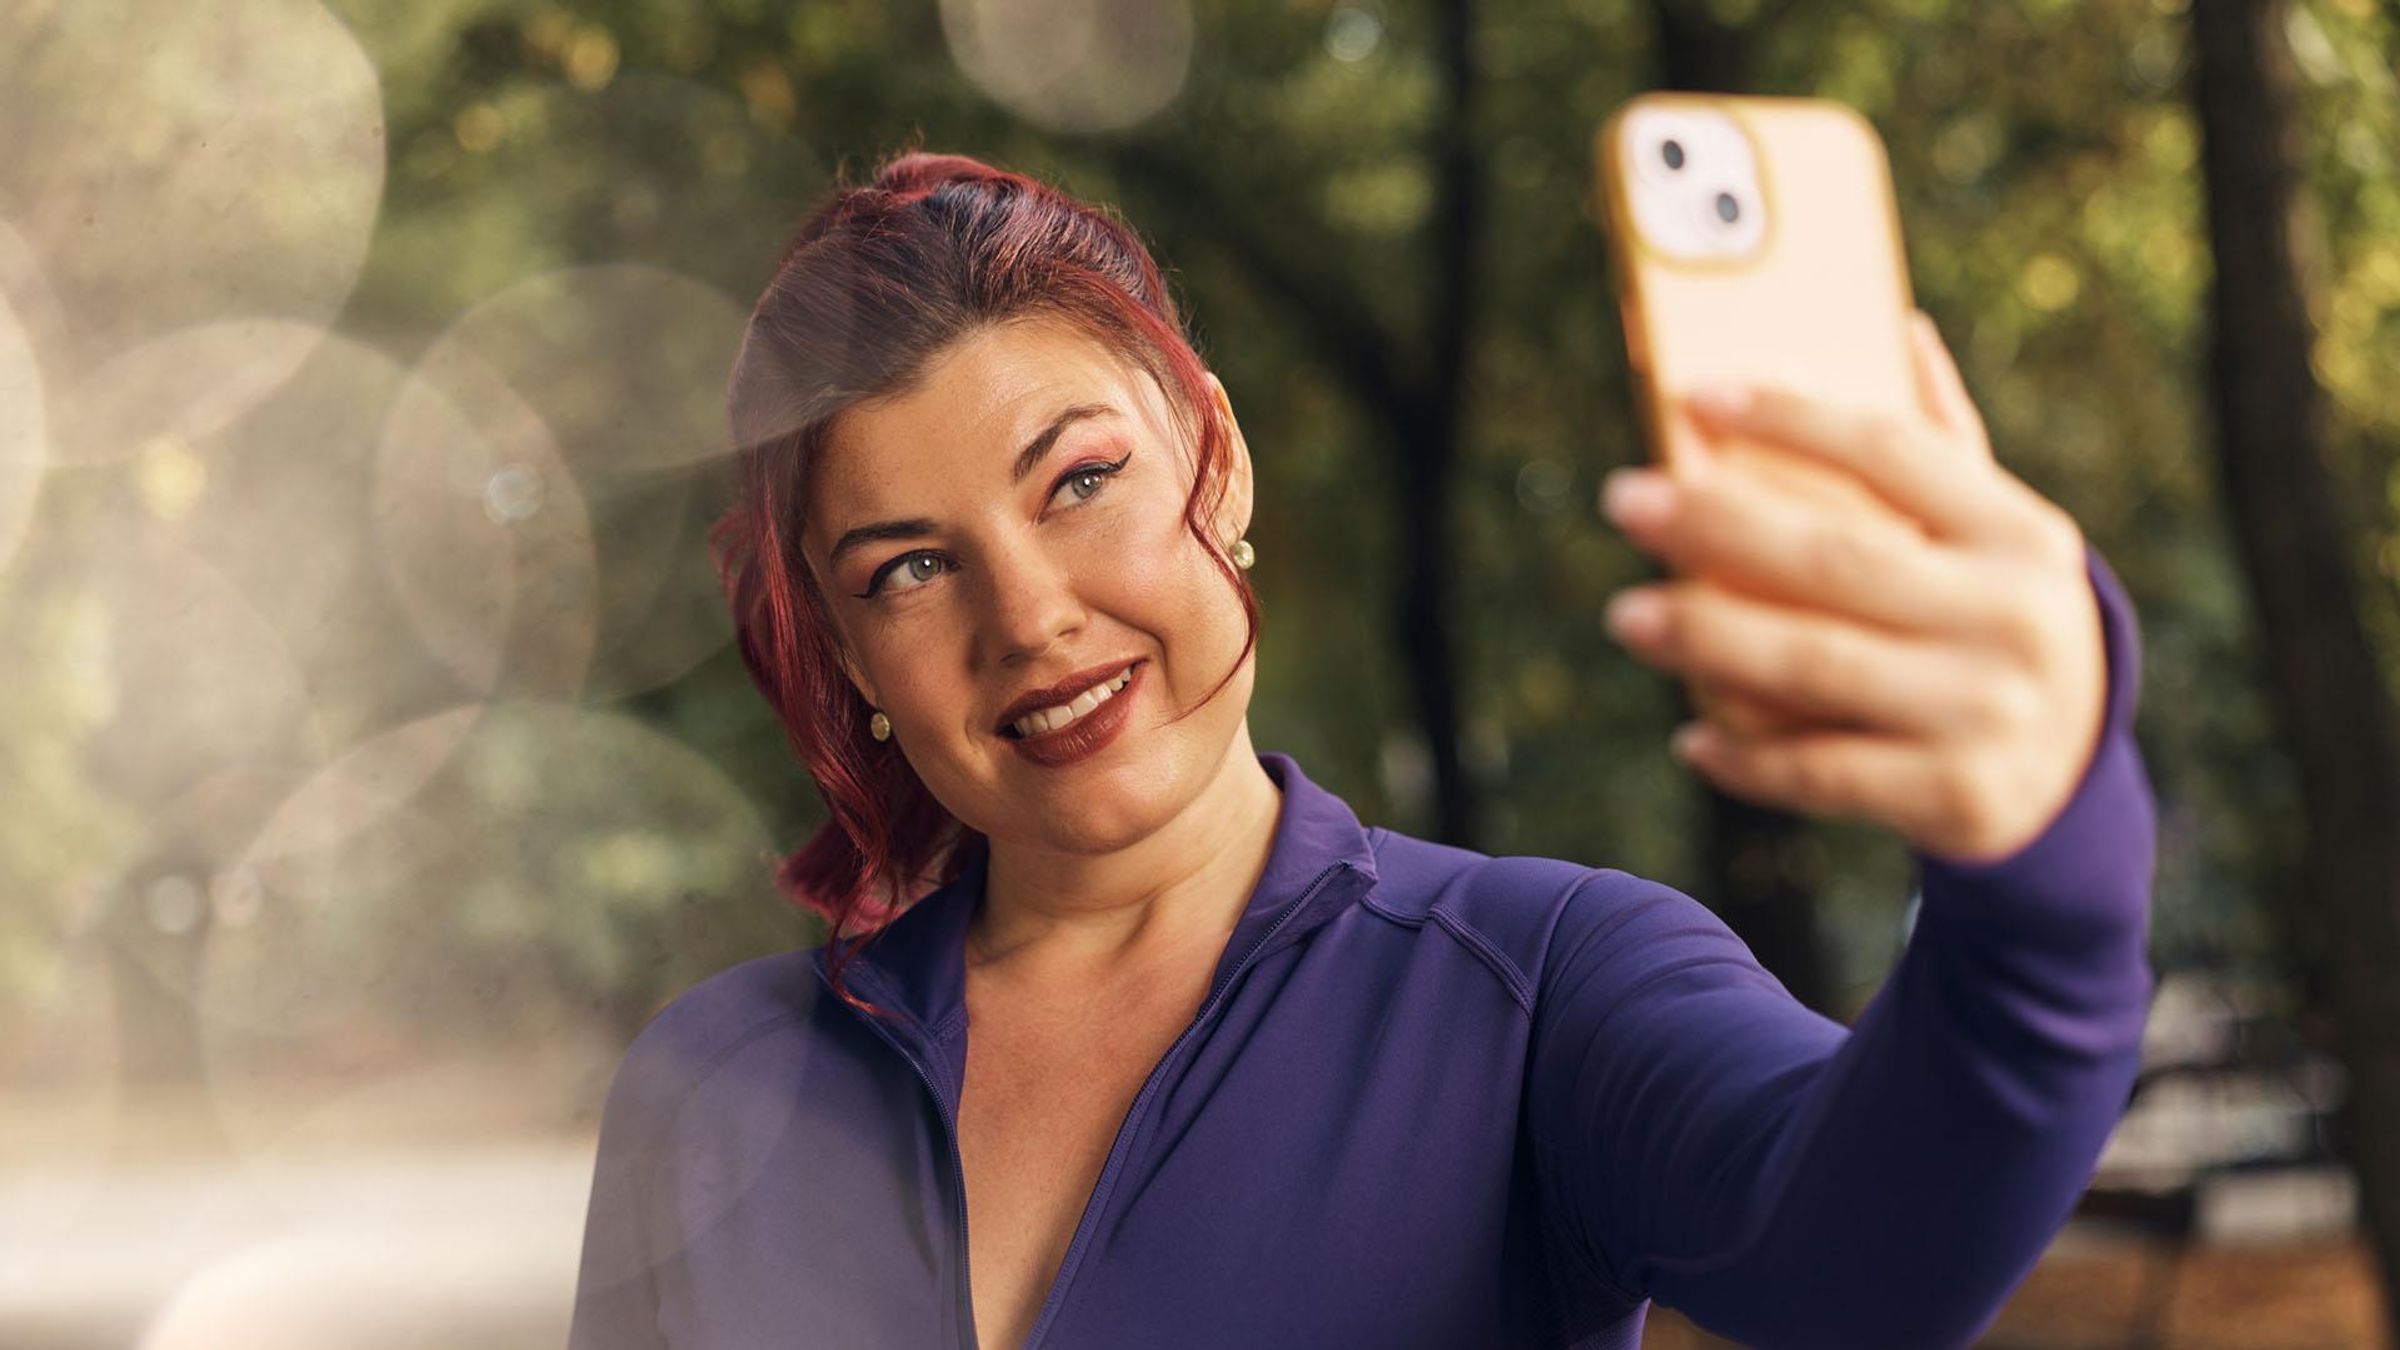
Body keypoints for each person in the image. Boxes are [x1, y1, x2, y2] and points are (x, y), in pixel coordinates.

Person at [565, 150, 2155, 1350]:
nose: (1030, 614)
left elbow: (1877, 1260)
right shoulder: (713, 1089)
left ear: (1218, 457)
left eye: (1081, 481)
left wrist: (2047, 874)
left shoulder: (1543, 986)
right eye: (910, 567)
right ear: (849, 654)